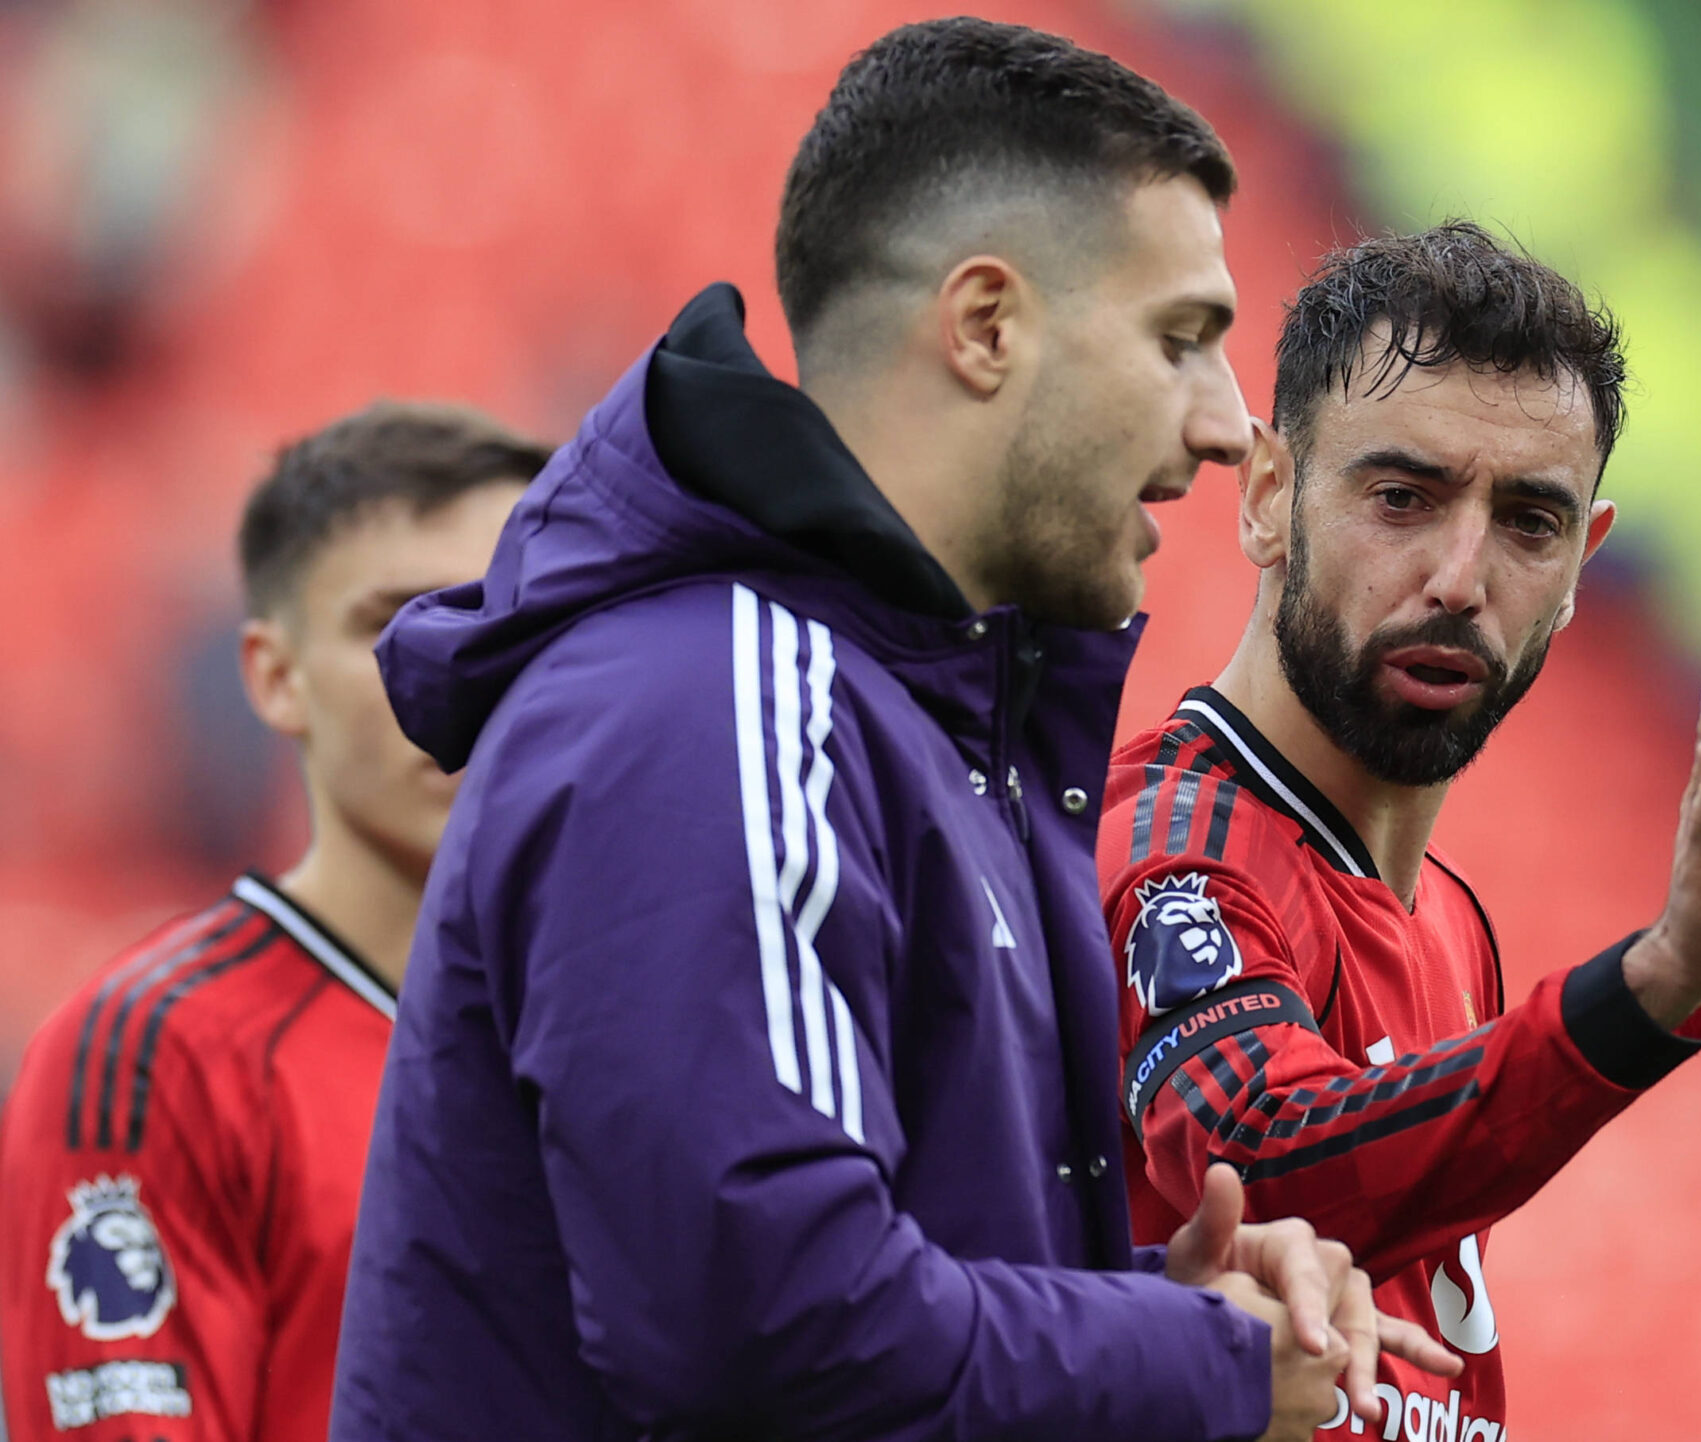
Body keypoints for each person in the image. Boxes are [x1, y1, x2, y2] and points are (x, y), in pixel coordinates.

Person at [331, 19, 1452, 1442]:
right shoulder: (714, 706)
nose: (1231, 425)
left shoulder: (916, 725)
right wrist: (1200, 1364)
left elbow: (870, 1288)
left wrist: (1164, 1305)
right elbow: (767, 1333)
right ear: (985, 326)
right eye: (1180, 340)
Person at [1100, 222, 1701, 1438]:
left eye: (1528, 522)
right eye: (1402, 497)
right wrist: (1651, 984)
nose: (1460, 577)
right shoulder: (1170, 848)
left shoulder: (1449, 921)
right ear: (1268, 496)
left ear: (1581, 565)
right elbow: (1259, 1163)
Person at [0, 403, 548, 1442]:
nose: (460, 674)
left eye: (510, 622)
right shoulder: (156, 1057)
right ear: (274, 676)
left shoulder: (653, 1018)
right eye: (396, 624)